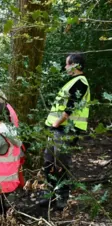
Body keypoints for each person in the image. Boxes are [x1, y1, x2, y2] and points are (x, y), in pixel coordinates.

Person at [41, 53, 90, 210]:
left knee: (60, 163)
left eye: (67, 64)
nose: (65, 67)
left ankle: (62, 197)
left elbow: (71, 105)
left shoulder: (81, 82)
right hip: (57, 128)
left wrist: (58, 122)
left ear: (75, 65)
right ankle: (51, 194)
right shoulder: (71, 82)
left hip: (66, 129)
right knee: (49, 161)